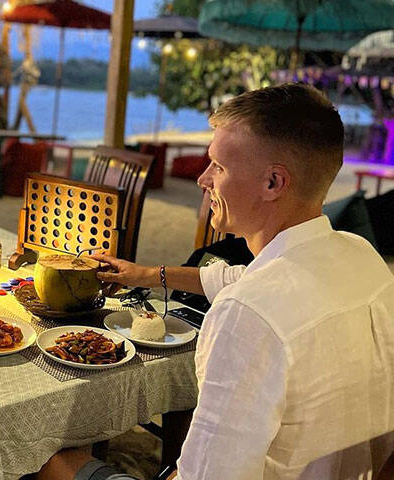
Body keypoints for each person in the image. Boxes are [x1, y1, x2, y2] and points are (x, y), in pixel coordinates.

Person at [36, 83, 394, 480]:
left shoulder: (247, 314)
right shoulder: (361, 257)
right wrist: (147, 275)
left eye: (219, 167)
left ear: (273, 183)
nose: (203, 180)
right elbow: (237, 277)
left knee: (47, 457)